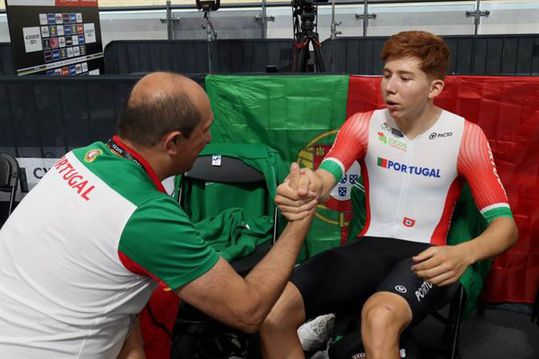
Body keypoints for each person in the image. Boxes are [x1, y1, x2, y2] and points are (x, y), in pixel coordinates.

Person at [0, 72, 316, 358]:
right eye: (206, 130)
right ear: (173, 142)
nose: (210, 139)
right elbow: (247, 311)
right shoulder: (145, 214)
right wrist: (301, 217)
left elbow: (97, 274)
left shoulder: (81, 159)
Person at [259, 31, 518, 359]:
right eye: (386, 75)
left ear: (434, 88)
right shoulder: (363, 124)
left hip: (426, 257)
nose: (389, 86)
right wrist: (307, 186)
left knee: (379, 318)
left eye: (405, 77)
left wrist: (463, 254)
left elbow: (505, 228)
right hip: (369, 248)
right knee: (273, 311)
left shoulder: (465, 136)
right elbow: (325, 178)